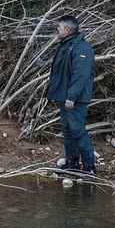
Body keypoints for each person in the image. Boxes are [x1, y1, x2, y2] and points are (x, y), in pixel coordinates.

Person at [45, 14, 96, 174]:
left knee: (77, 131)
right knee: (68, 131)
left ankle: (89, 168)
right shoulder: (65, 45)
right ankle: (72, 164)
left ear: (67, 29)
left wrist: (71, 96)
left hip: (75, 99)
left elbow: (81, 75)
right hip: (65, 97)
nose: (57, 30)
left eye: (58, 27)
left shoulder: (82, 48)